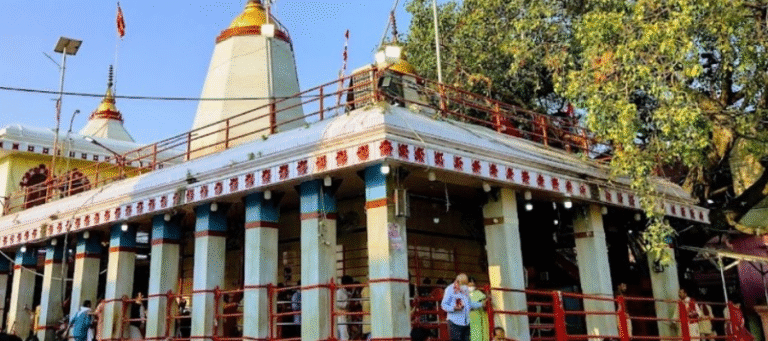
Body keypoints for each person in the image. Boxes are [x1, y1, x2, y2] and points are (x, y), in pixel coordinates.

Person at [441, 274, 483, 341]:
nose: (465, 285)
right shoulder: (449, 289)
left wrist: (481, 304)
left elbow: (469, 303)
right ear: (458, 281)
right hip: (455, 322)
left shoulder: (465, 289)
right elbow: (444, 305)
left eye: (465, 283)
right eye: (463, 283)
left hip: (466, 322)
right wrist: (454, 308)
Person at [336, 275, 354, 341]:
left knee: (345, 333)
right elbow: (337, 303)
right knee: (343, 334)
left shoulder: (346, 292)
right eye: (350, 284)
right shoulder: (339, 292)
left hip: (345, 315)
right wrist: (347, 304)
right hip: (340, 316)